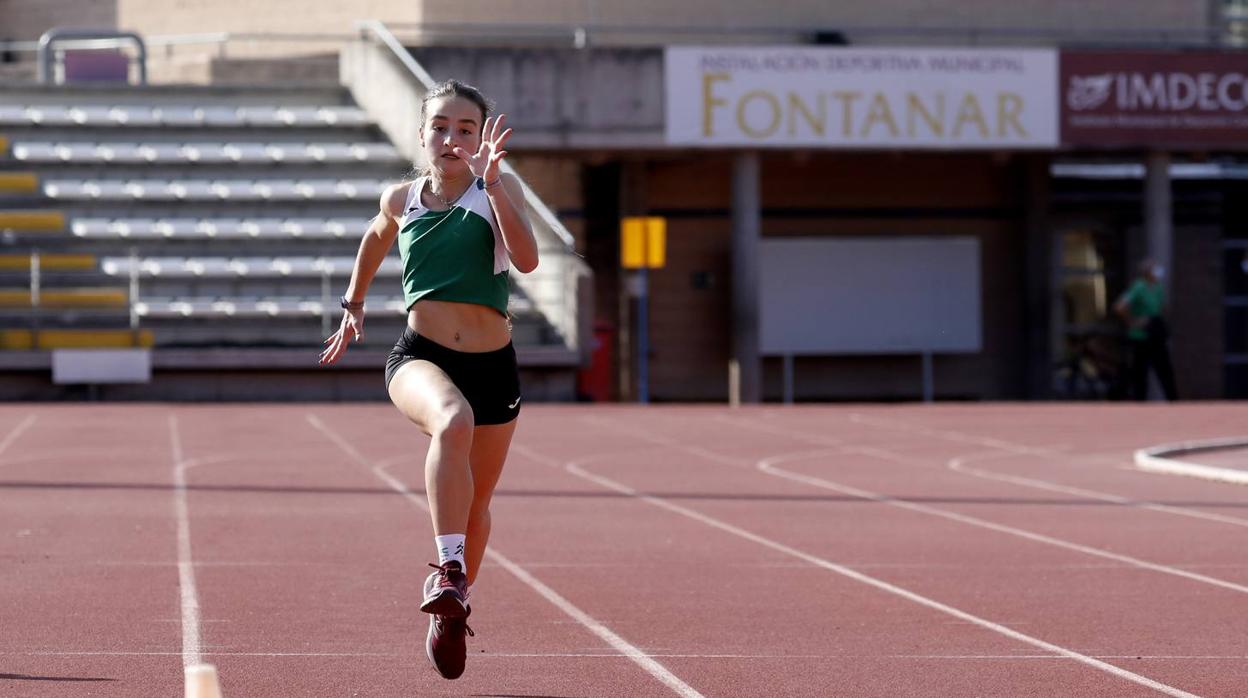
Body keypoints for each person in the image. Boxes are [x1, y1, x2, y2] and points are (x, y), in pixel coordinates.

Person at [318, 79, 538, 680]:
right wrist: (353, 304)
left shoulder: (499, 188)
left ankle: (453, 603)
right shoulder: (403, 197)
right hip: (421, 355)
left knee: (479, 502)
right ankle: (447, 568)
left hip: (495, 366)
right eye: (440, 127)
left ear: (482, 137)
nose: (452, 139)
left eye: (466, 129)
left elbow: (527, 259)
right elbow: (373, 236)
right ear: (421, 136)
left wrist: (492, 185)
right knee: (452, 419)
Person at [1113, 258, 1177, 401]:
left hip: (1156, 335)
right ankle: (1139, 404)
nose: (1158, 272)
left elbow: (1161, 308)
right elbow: (1119, 306)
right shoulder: (1138, 287)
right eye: (1155, 269)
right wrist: (1133, 321)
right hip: (1140, 337)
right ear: (1147, 272)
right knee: (1139, 373)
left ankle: (1173, 402)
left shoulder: (1158, 287)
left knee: (1165, 370)